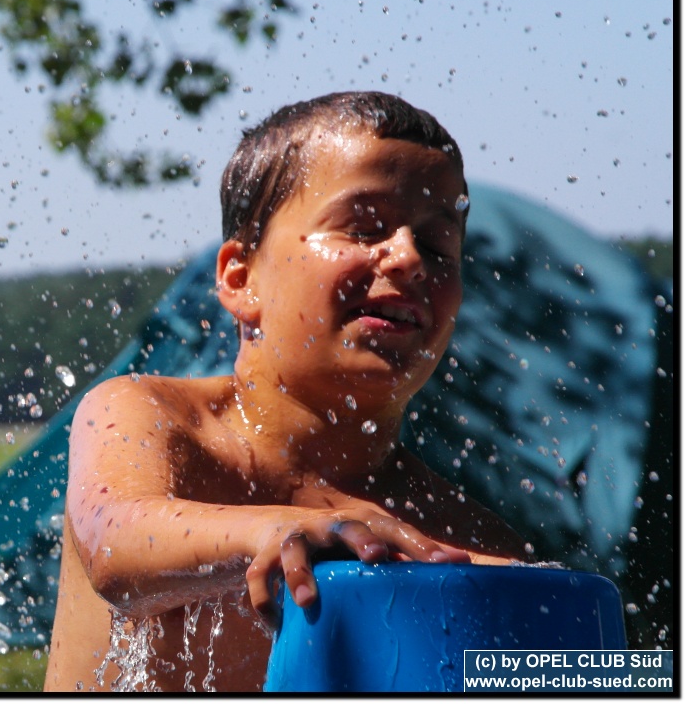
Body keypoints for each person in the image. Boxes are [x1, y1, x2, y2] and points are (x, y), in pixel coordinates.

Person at [43, 91, 529, 692]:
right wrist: (269, 531)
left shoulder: (462, 540)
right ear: (240, 278)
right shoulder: (149, 417)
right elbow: (114, 544)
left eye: (437, 246)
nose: (407, 257)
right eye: (364, 227)